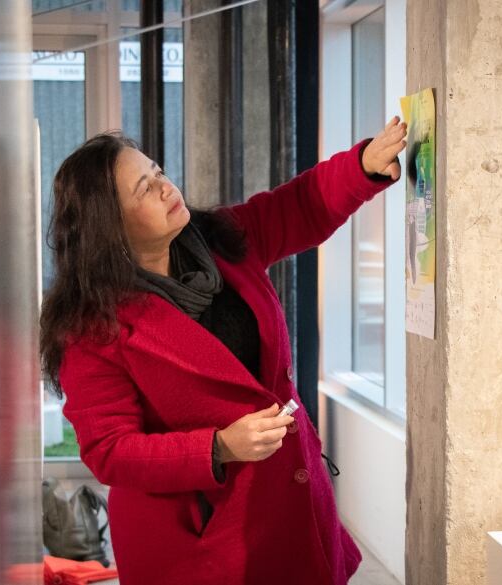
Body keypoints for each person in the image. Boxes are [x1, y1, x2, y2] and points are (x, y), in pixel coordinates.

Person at [40, 117, 407, 585]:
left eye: (158, 172)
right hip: (198, 537)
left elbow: (299, 206)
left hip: (289, 501)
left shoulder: (220, 240)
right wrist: (217, 448)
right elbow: (109, 450)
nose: (166, 187)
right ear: (109, 226)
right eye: (144, 189)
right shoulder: (91, 327)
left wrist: (361, 167)